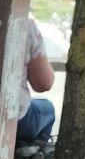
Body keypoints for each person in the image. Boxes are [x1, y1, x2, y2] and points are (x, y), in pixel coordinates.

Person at [17, 17, 57, 146]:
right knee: (48, 108)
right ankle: (26, 151)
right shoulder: (24, 24)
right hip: (14, 118)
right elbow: (43, 84)